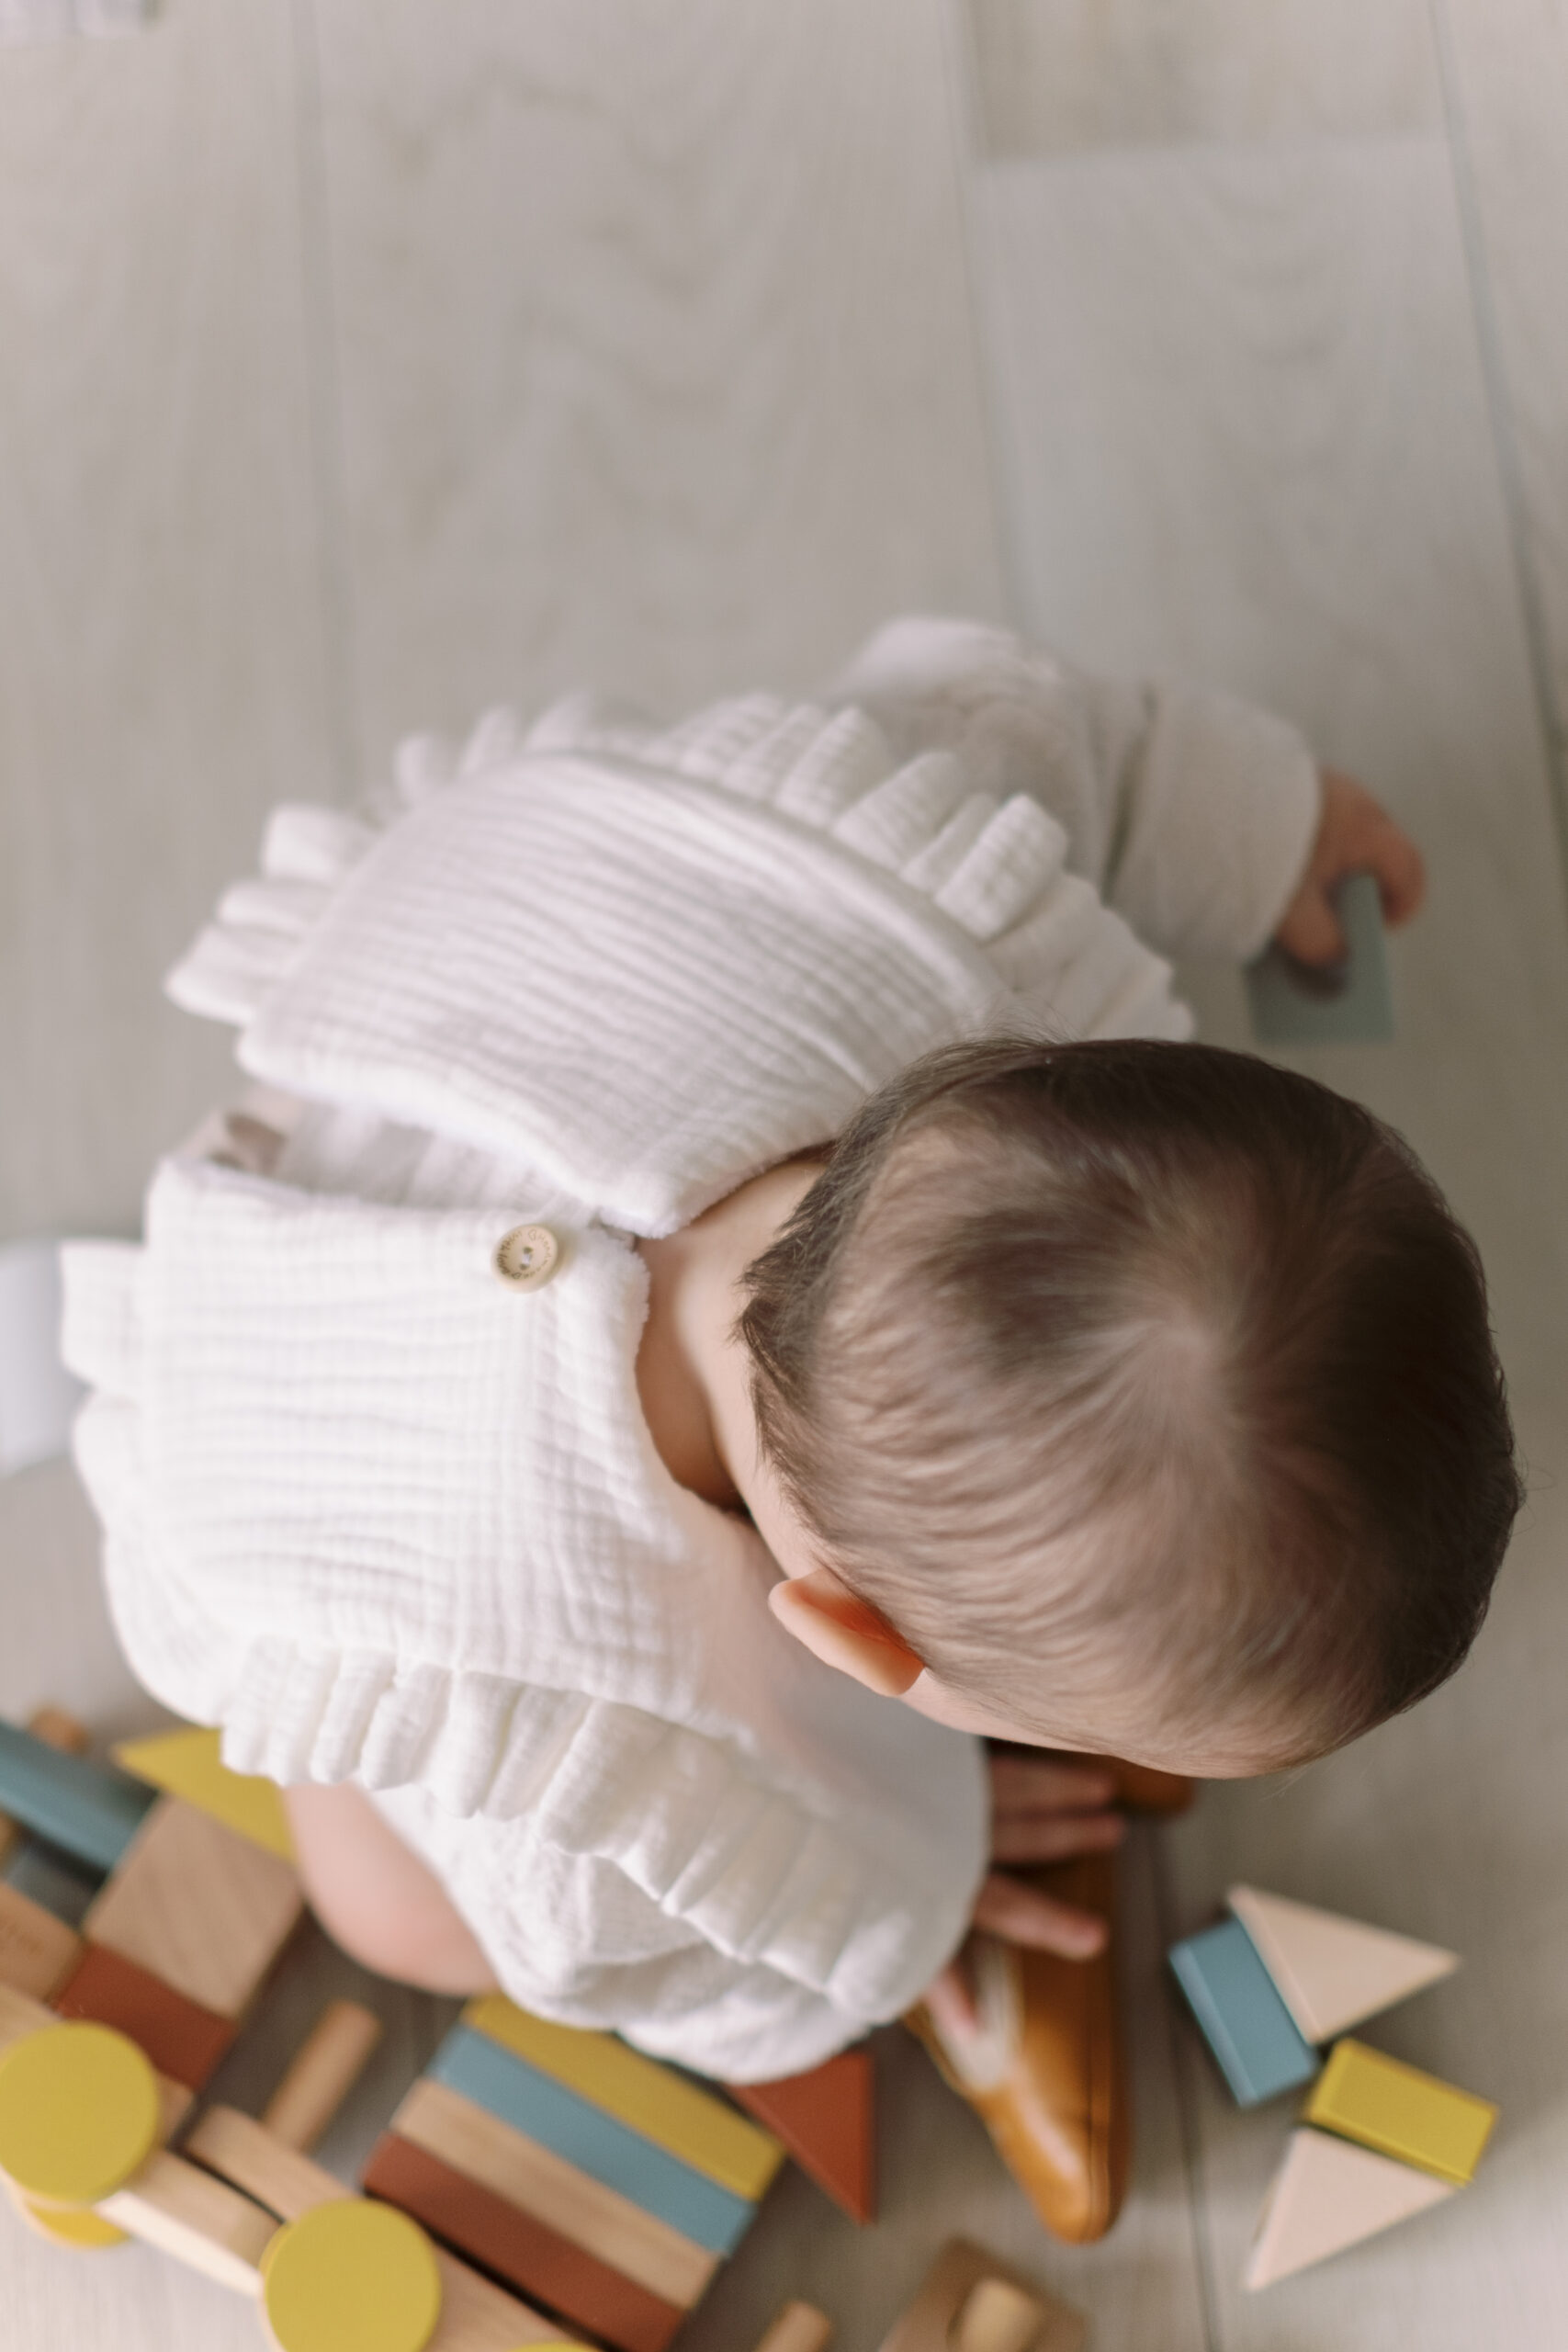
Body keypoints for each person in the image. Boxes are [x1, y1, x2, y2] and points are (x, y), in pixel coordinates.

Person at [61, 617, 1516, 2242]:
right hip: (279, 1494)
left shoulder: (883, 868)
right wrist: (905, 1902)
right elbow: (689, 1966)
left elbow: (1052, 728)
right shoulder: (573, 1766)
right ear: (850, 1637)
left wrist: (1266, 824)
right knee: (401, 1915)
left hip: (453, 1025)